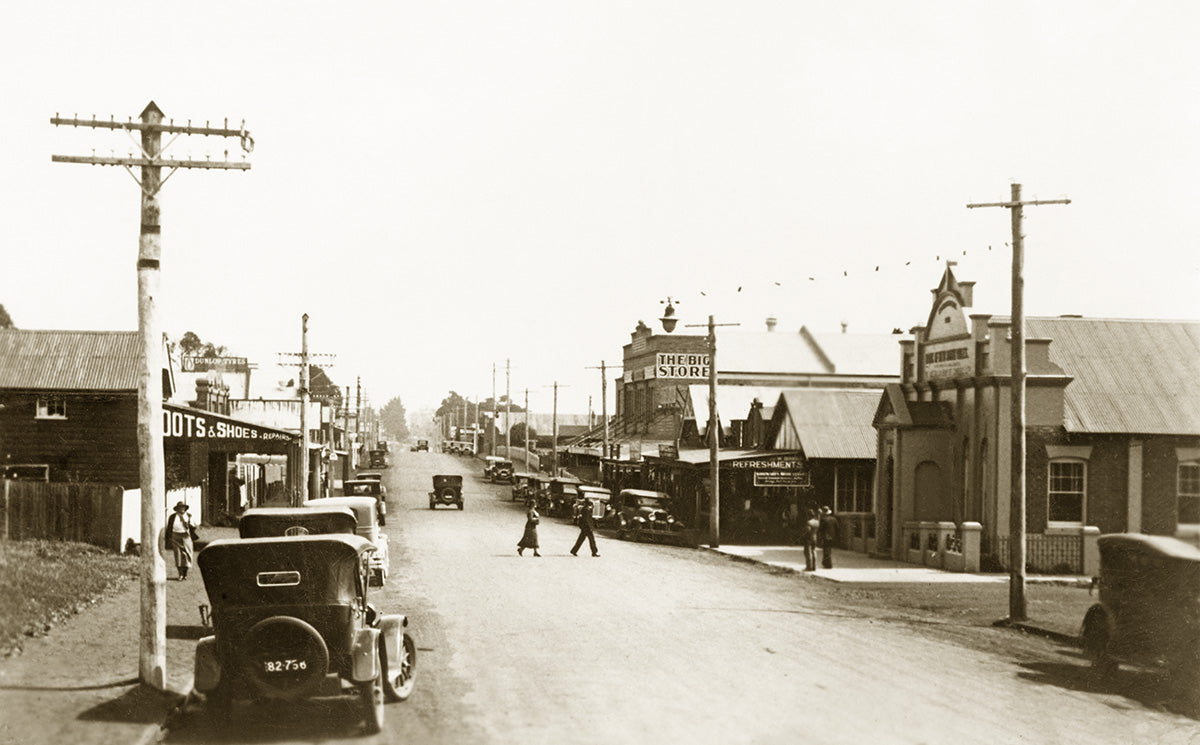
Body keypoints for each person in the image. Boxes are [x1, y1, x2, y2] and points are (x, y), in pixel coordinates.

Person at [166, 501, 197, 580]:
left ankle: (185, 574)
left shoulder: (189, 516)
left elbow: (194, 527)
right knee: (178, 555)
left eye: (183, 507)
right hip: (175, 536)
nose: (182, 509)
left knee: (187, 555)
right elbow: (169, 527)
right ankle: (180, 574)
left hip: (186, 536)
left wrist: (189, 525)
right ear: (177, 509)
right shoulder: (173, 517)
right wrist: (168, 538)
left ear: (185, 508)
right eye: (180, 507)